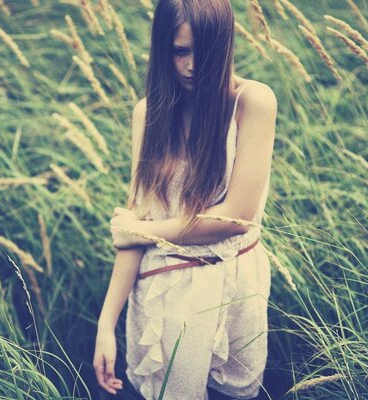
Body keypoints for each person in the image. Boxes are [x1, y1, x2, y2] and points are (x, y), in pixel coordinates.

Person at [94, 0, 277, 398]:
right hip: (164, 292)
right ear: (164, 49)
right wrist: (106, 324)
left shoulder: (252, 101)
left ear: (224, 45)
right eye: (180, 52)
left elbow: (235, 219)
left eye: (203, 51)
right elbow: (136, 228)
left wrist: (138, 231)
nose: (192, 64)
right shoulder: (150, 114)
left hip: (232, 287)